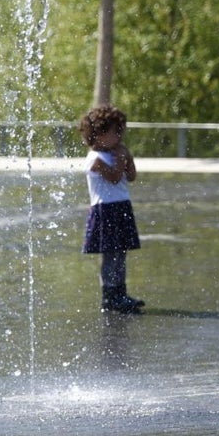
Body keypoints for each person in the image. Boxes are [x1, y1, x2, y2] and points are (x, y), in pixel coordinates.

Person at [79, 105, 143, 314]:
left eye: (120, 131)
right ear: (97, 134)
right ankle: (110, 296)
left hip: (121, 206)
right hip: (105, 210)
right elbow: (115, 178)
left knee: (121, 253)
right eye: (113, 132)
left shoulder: (116, 154)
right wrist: (122, 159)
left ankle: (121, 292)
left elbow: (130, 176)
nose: (119, 136)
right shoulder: (95, 159)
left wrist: (128, 158)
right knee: (110, 255)